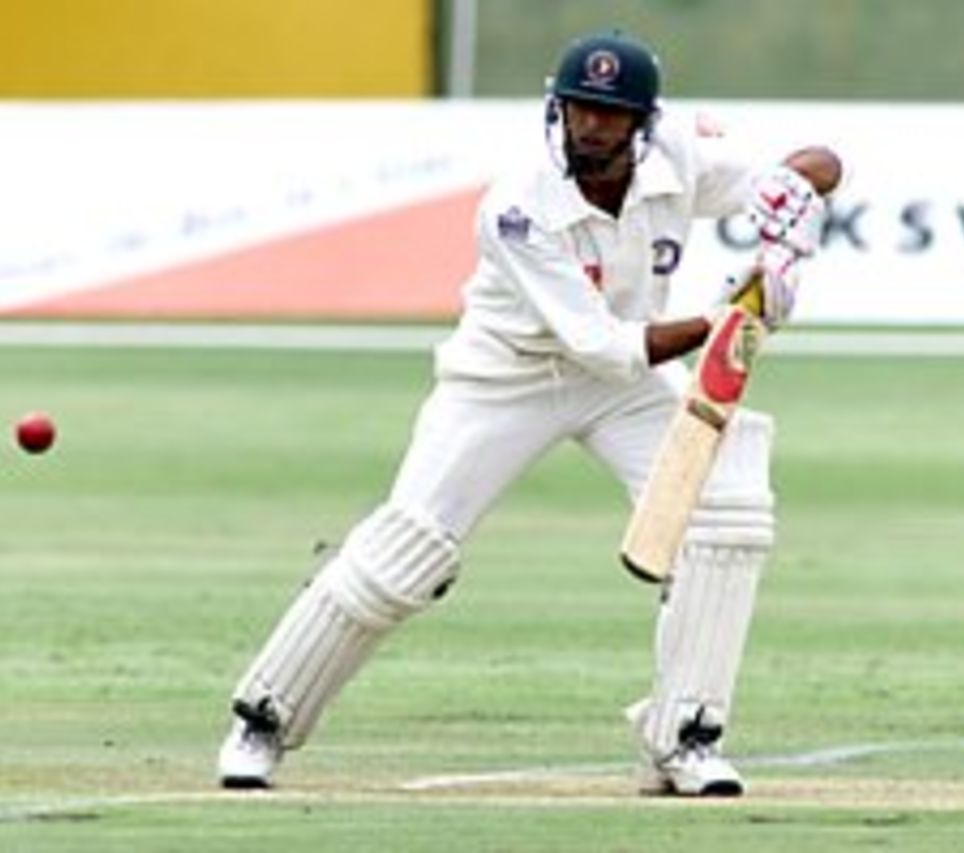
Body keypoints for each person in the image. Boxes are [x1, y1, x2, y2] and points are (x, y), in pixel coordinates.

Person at [216, 30, 842, 796]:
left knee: (727, 508)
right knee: (406, 552)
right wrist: (734, 315)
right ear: (558, 109)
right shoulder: (517, 204)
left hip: (624, 387)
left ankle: (683, 738)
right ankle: (264, 717)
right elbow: (601, 343)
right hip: (506, 376)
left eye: (611, 116)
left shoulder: (680, 151)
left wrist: (790, 225)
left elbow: (814, 167)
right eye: (580, 110)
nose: (591, 128)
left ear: (643, 123)